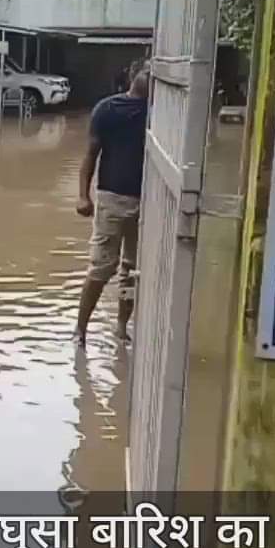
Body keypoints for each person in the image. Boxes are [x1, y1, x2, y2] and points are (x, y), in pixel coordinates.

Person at [74, 60, 150, 345]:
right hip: (112, 199)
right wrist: (83, 195)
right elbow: (90, 154)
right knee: (101, 267)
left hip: (149, 203)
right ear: (132, 74)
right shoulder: (107, 109)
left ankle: (121, 326)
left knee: (131, 270)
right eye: (146, 70)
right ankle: (80, 329)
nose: (149, 76)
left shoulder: (162, 114)